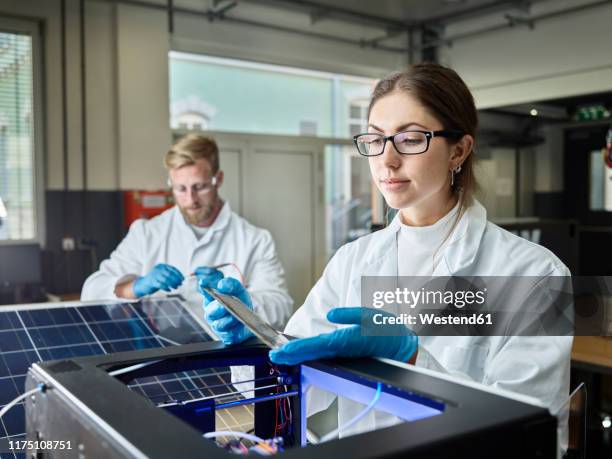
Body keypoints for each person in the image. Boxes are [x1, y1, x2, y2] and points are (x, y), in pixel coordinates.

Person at [199, 63, 573, 453]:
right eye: (376, 140)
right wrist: (256, 342)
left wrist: (414, 361)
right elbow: (290, 389)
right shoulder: (353, 261)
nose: (387, 160)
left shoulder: (536, 275)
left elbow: (530, 438)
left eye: (410, 139)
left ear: (458, 150)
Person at [81, 134, 293, 332]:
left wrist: (233, 299)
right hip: (160, 359)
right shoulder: (146, 233)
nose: (191, 200)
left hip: (227, 360)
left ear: (217, 179)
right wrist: (136, 286)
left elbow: (281, 308)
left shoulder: (255, 240)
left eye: (199, 187)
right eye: (180, 189)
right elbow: (91, 291)